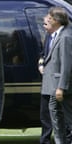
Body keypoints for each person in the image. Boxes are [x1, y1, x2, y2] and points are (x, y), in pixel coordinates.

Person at [40, 7, 72, 144]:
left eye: (50, 18)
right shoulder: (57, 34)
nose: (47, 19)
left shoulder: (65, 37)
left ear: (57, 21)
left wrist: (61, 87)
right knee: (56, 119)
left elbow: (66, 64)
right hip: (52, 86)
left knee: (67, 119)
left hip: (59, 87)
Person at [38, 15, 53, 144]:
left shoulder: (65, 37)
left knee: (62, 116)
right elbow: (43, 54)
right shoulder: (48, 37)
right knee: (45, 115)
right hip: (47, 82)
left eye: (45, 24)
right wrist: (41, 64)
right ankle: (45, 140)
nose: (43, 27)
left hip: (58, 82)